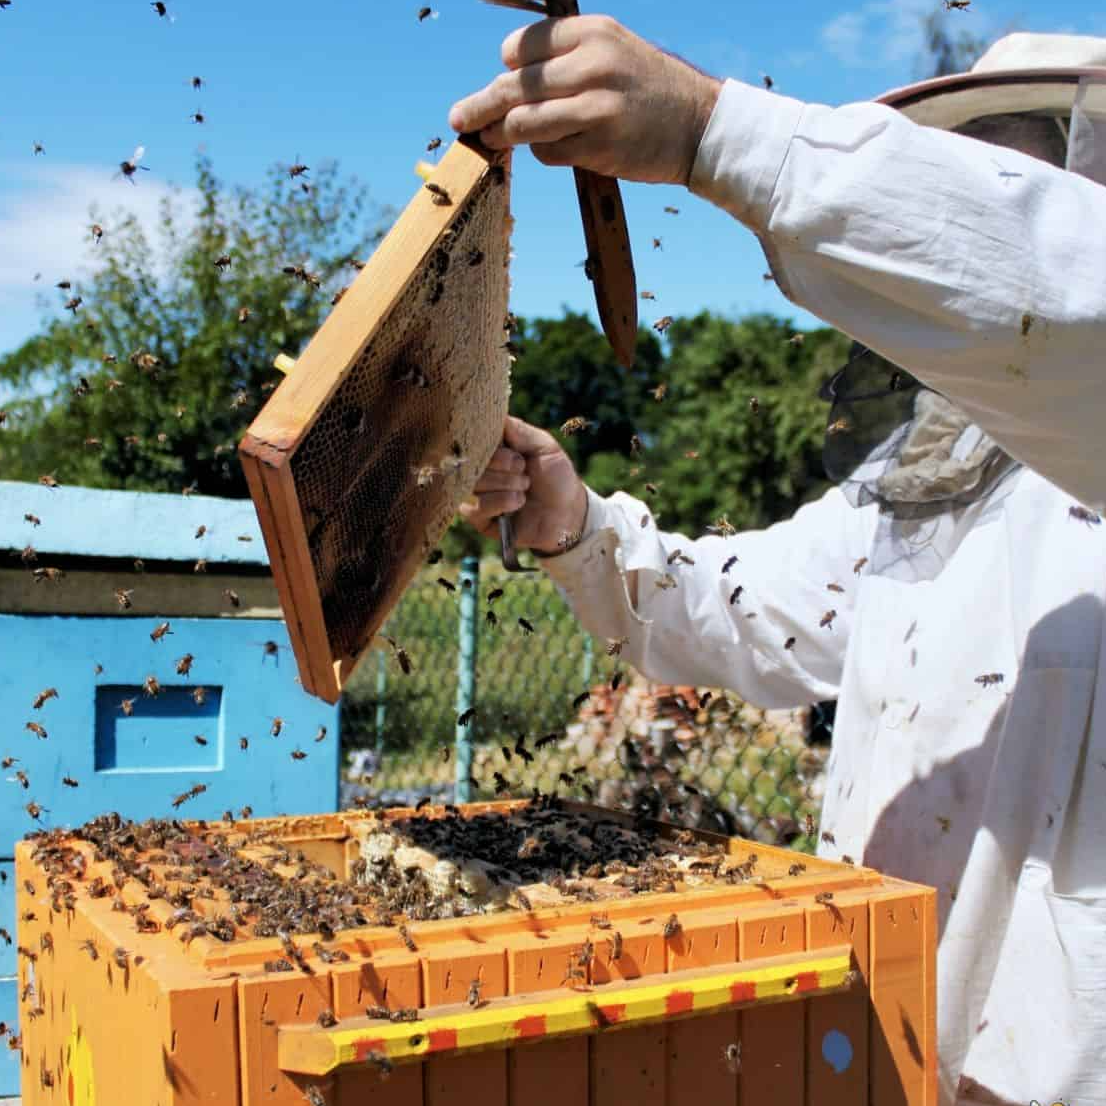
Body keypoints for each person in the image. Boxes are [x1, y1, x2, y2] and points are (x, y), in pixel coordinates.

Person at [451, 19, 1106, 1106]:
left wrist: (717, 133)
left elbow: (1059, 300)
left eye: (1023, 158)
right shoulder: (921, 466)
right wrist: (577, 523)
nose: (980, 195)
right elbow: (748, 611)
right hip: (885, 1041)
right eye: (975, 155)